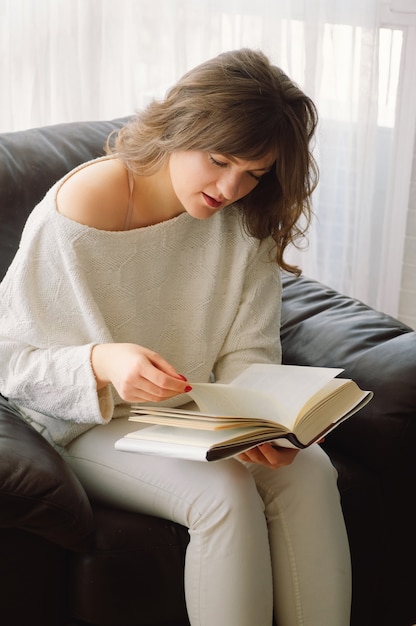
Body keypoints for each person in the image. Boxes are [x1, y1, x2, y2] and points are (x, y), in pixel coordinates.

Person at [0, 48, 351, 625]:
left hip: (196, 415)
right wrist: (103, 362)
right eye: (218, 160)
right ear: (178, 128)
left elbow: (248, 349)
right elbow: (12, 360)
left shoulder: (250, 215)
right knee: (223, 494)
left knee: (309, 470)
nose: (231, 187)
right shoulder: (85, 205)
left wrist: (258, 422)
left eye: (254, 172)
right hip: (86, 420)